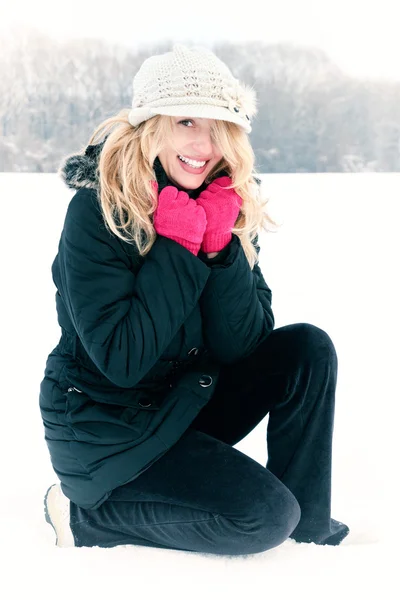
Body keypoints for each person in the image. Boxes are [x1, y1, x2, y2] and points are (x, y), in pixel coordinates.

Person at [40, 43, 349, 554]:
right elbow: (123, 361)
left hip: (185, 401)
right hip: (108, 428)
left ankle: (307, 530)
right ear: (150, 126)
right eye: (186, 121)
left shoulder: (222, 203)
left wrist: (218, 247)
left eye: (219, 126)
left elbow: (244, 346)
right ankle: (85, 517)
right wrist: (179, 249)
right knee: (261, 517)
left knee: (306, 349)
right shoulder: (98, 214)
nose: (204, 144)